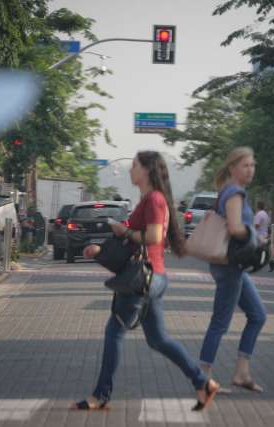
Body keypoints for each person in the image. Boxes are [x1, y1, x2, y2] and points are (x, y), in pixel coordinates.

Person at [71, 151, 220, 411]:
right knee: (158, 340)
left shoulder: (154, 199)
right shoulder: (149, 200)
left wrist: (124, 230)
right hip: (154, 278)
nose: (131, 169)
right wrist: (100, 249)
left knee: (113, 333)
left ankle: (101, 395)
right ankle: (202, 383)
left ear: (147, 170)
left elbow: (153, 236)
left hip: (143, 280)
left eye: (135, 165)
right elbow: (134, 237)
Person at [199, 146, 267, 393]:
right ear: (232, 168)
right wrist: (255, 237)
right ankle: (203, 378)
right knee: (219, 323)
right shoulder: (235, 193)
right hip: (229, 267)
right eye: (245, 165)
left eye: (253, 165)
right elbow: (235, 228)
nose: (251, 170)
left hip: (231, 266)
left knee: (258, 315)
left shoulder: (228, 192)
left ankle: (241, 372)